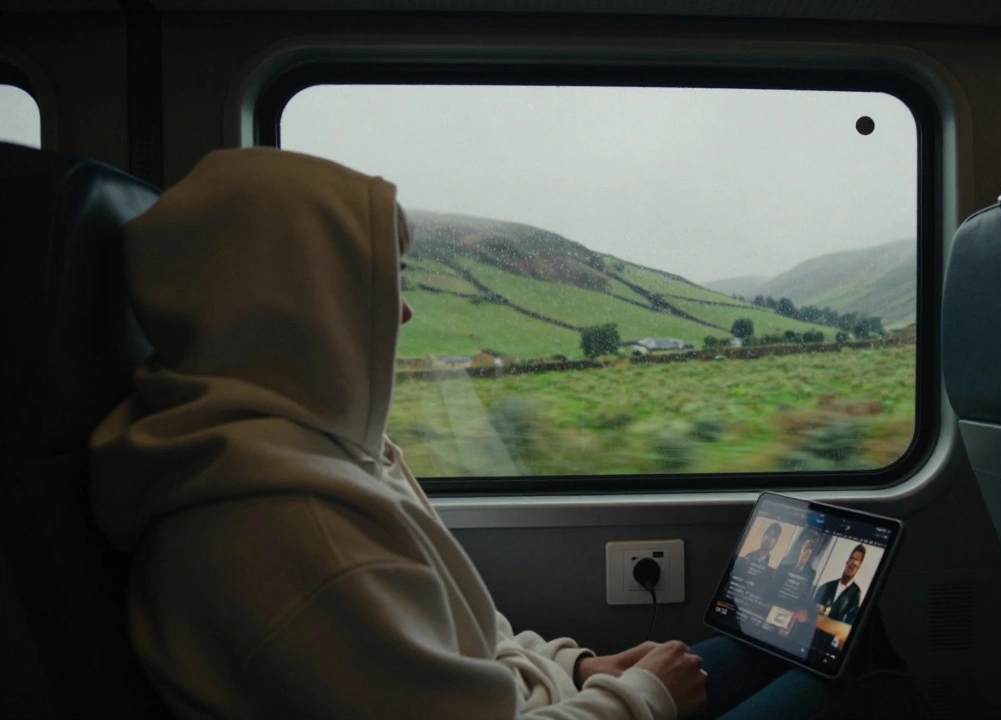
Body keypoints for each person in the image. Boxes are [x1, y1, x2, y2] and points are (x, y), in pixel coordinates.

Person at [88, 148, 901, 720]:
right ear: (291, 299)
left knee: (786, 650)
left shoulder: (312, 455)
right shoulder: (285, 533)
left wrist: (578, 669)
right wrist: (639, 699)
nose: (404, 312)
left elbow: (460, 654)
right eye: (381, 285)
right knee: (861, 692)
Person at [813, 545, 866, 625]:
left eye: (856, 563)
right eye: (852, 558)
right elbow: (811, 609)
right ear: (847, 561)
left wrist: (826, 611)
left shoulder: (856, 593)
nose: (852, 564)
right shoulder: (826, 586)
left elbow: (849, 621)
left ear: (859, 567)